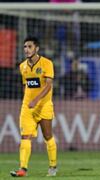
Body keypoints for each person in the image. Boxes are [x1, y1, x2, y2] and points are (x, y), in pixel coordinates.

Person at [10, 36, 57, 177]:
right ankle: (23, 169)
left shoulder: (47, 64)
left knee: (48, 136)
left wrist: (36, 100)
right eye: (25, 47)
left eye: (29, 46)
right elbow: (26, 85)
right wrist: (28, 100)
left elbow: (48, 85)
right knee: (25, 136)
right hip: (28, 106)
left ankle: (53, 166)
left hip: (43, 105)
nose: (26, 49)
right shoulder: (22, 66)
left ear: (36, 48)